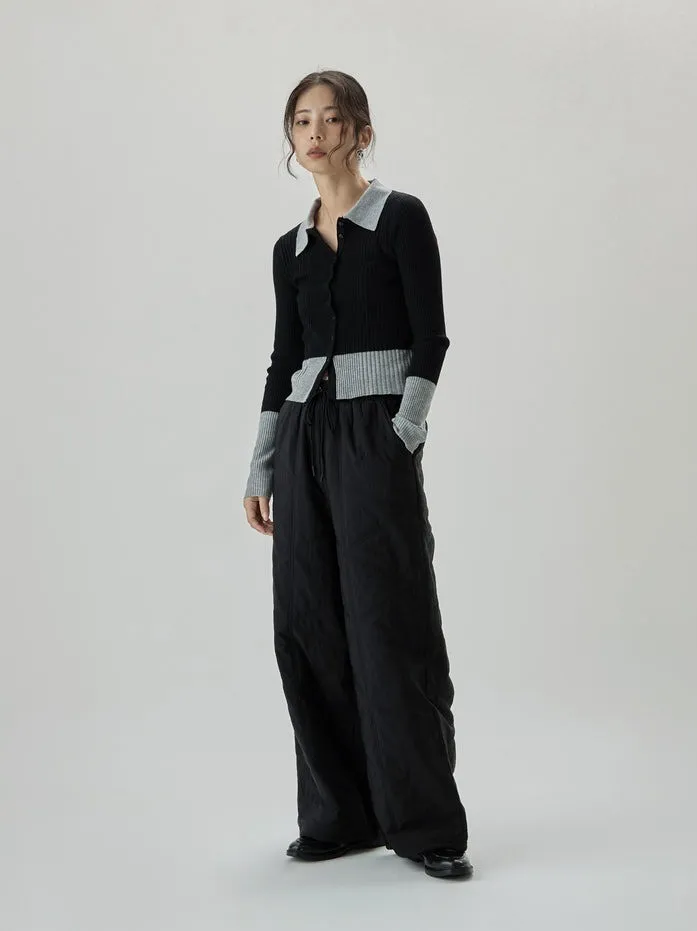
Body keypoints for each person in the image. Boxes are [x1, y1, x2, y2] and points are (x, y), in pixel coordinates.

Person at [242, 70, 473, 881]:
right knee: (308, 623)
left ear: (360, 132)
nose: (315, 134)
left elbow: (431, 337)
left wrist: (403, 432)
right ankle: (339, 817)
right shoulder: (290, 250)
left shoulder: (401, 218)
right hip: (304, 438)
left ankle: (425, 825)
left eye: (331, 119)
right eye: (301, 121)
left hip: (374, 438)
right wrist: (261, 464)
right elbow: (283, 359)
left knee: (390, 621)